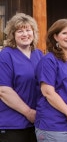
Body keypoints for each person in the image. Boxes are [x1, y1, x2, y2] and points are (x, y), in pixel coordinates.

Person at [0, 13, 42, 142]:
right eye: (20, 31)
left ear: (34, 33)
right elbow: (3, 91)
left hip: (37, 123)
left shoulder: (39, 54)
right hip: (13, 124)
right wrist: (29, 113)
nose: (25, 34)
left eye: (28, 30)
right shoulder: (6, 55)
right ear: (12, 34)